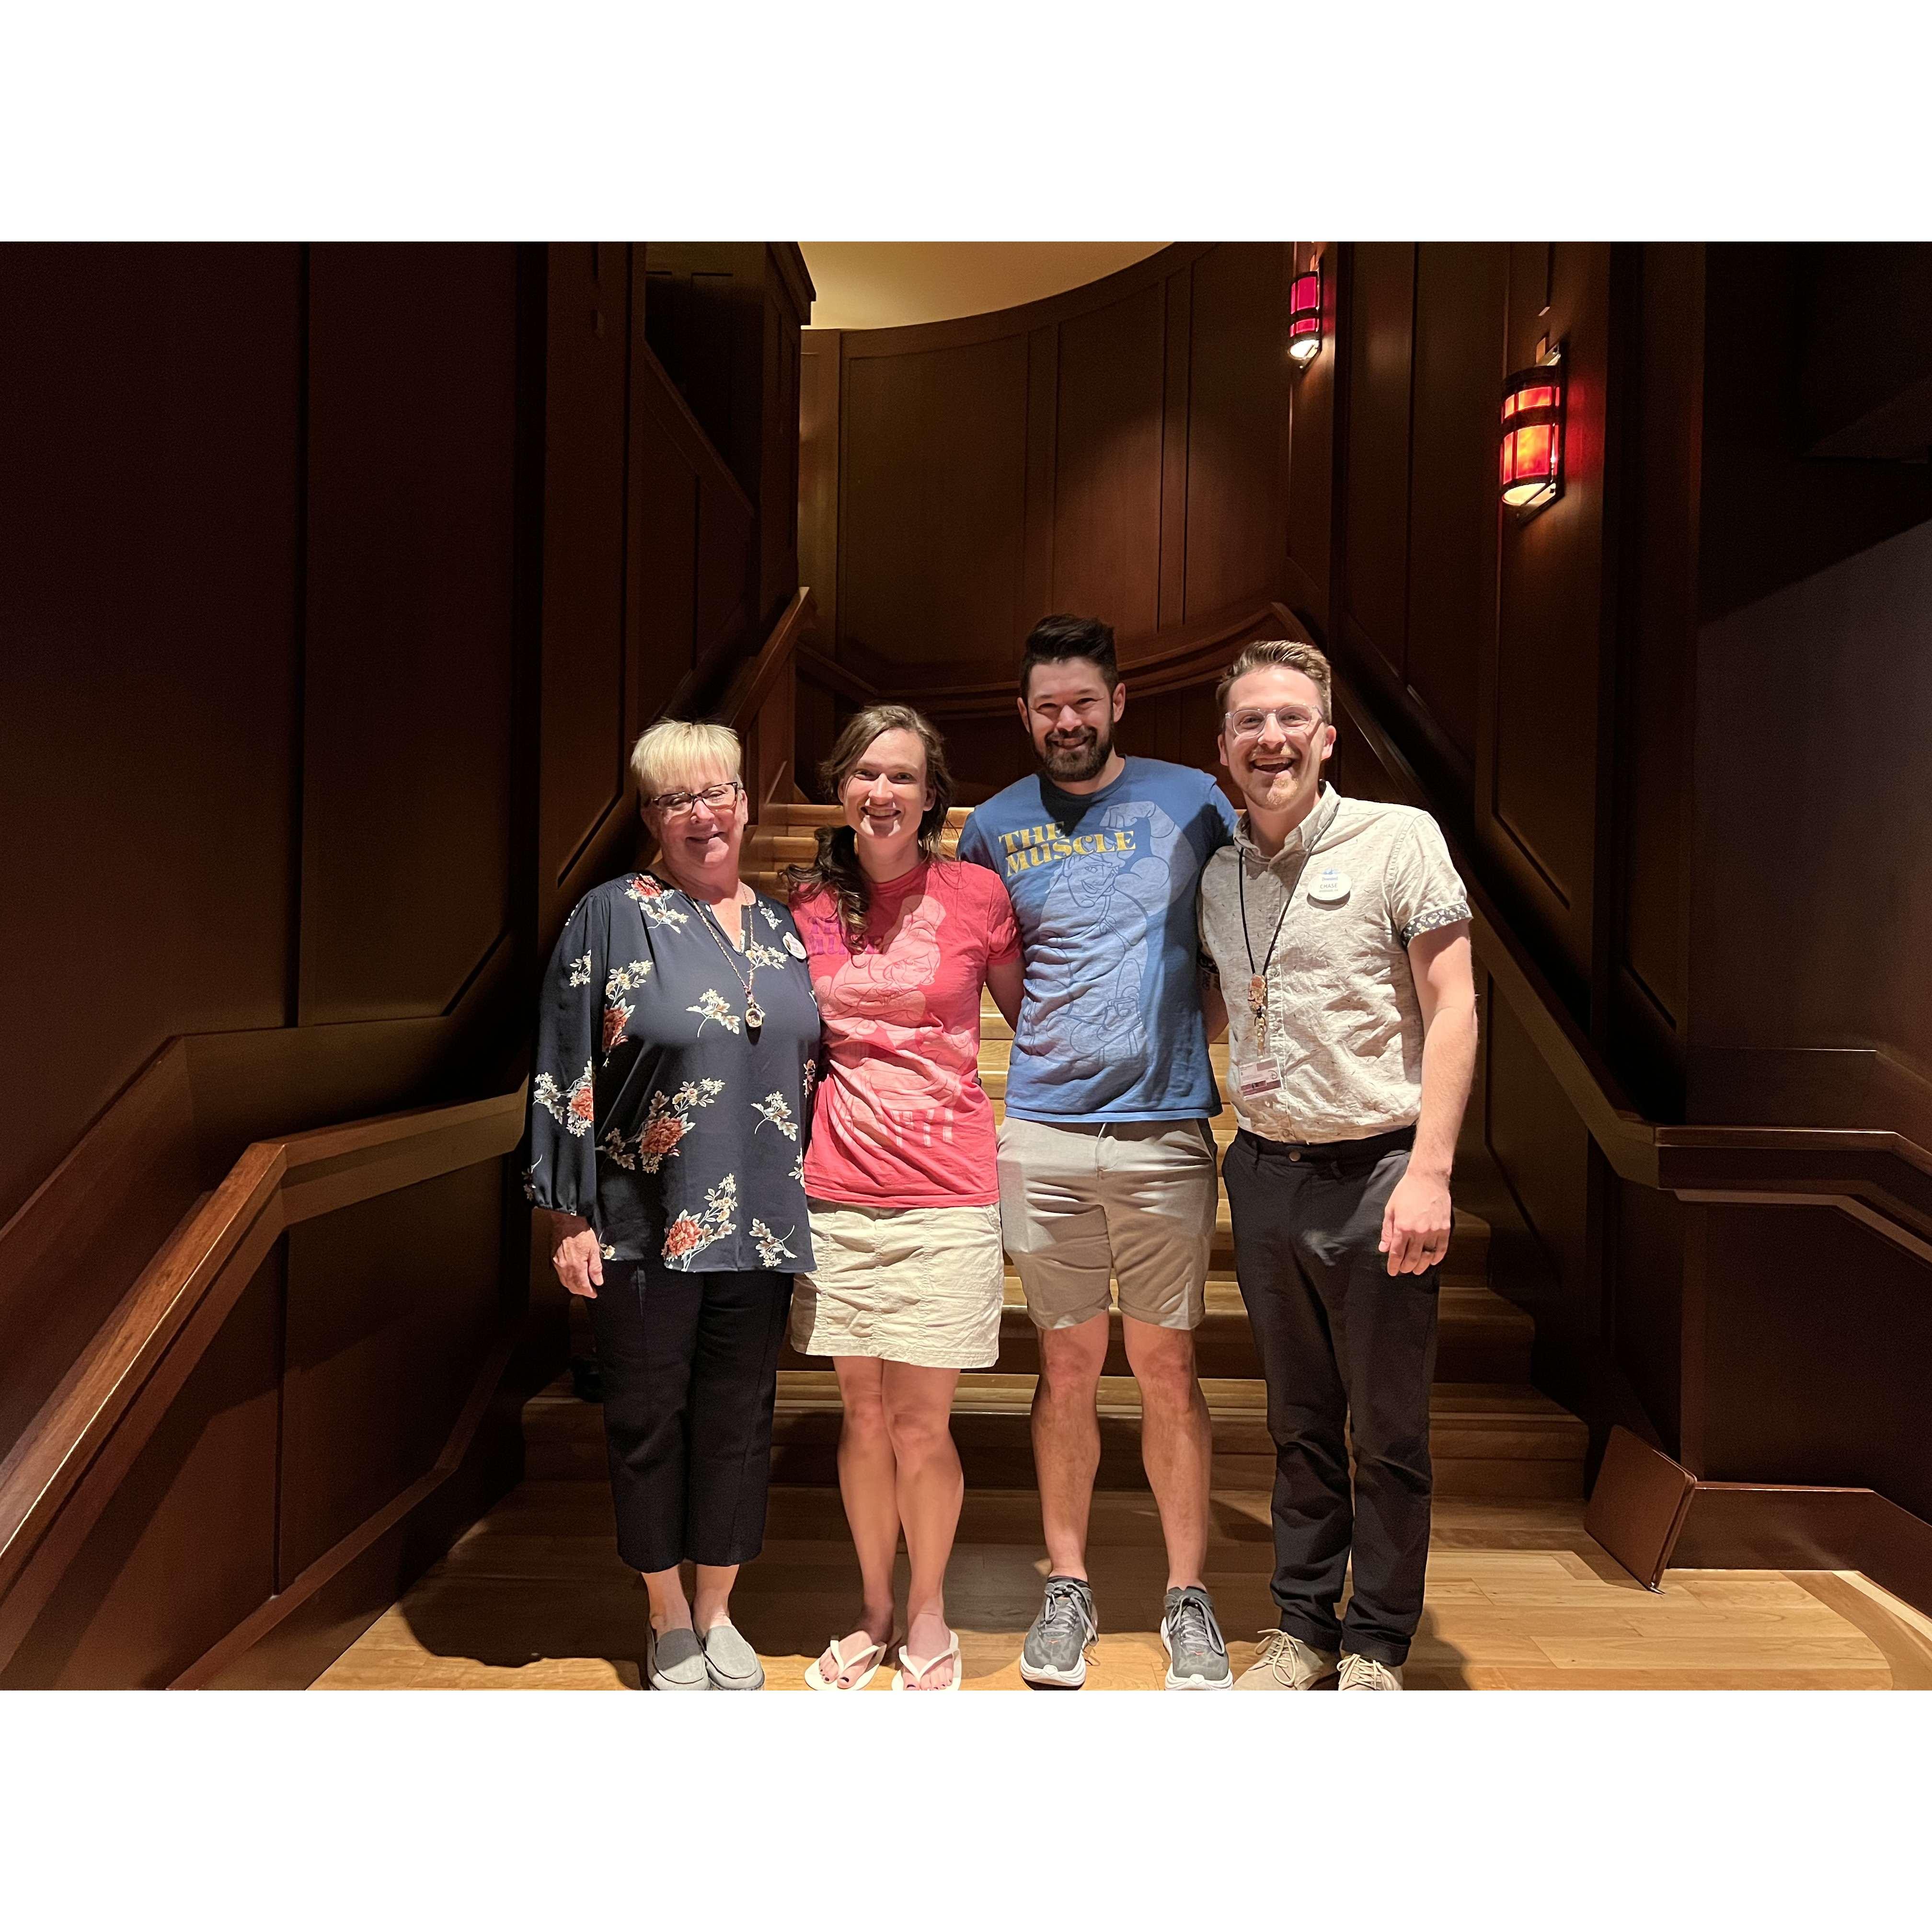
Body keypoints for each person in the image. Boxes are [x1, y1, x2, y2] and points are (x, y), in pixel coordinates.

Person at [955, 614, 1239, 1690]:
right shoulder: (993, 827)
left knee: (1168, 1366)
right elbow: (1004, 976)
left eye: (1084, 701)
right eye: (1048, 707)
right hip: (1045, 1133)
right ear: (1023, 715)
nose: (1067, 721)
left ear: (1118, 701)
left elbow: (1240, 928)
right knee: (1066, 1365)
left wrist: (1181, 1032)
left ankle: (1187, 1595)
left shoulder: (1193, 800)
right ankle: (1066, 1584)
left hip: (1167, 1132)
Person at [1196, 639, 1477, 1691]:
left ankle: (1378, 1641)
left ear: (1325, 737)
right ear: (1223, 747)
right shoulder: (1218, 872)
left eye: (1289, 720)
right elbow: (1219, 1002)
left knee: (1387, 1430)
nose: (1269, 740)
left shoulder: (1398, 839)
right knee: (1297, 1422)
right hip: (1265, 1169)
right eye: (1249, 723)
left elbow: (1455, 1004)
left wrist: (1431, 1172)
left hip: (1379, 1174)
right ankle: (1304, 1627)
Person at [523, 718, 821, 1692]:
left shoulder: (784, 928)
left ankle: (719, 1607)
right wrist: (568, 1216)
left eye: (716, 792)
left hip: (763, 1220)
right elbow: (563, 1064)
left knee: (740, 1418)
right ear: (652, 818)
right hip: (643, 1221)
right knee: (649, 1418)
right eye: (675, 799)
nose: (702, 814)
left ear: (746, 801)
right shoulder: (612, 915)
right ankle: (665, 1613)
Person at [786, 706, 1023, 1692]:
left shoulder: (975, 894)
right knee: (863, 1416)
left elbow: (1032, 1023)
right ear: (842, 787)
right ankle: (874, 1610)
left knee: (923, 1422)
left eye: (903, 777)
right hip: (837, 1190)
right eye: (865, 774)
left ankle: (928, 1608)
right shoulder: (805, 904)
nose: (881, 793)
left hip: (946, 1192)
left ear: (932, 797)